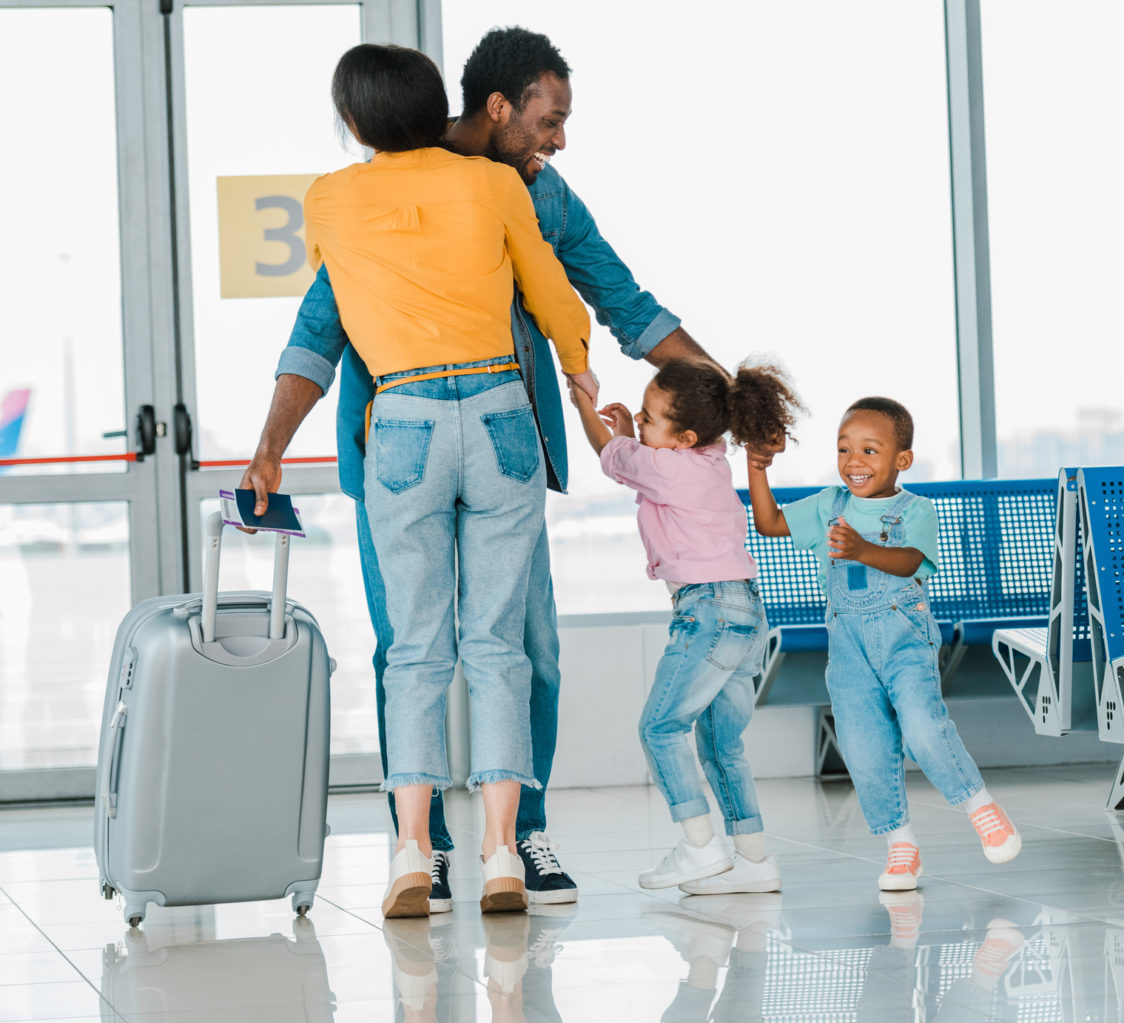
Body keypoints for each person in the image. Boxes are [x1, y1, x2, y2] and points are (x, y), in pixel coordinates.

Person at [240, 26, 720, 912]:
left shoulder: (532, 193)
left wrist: (725, 395)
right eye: (549, 120)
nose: (559, 140)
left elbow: (625, 304)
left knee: (522, 649)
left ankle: (519, 832)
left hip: (460, 442)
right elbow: (320, 328)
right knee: (417, 647)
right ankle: (437, 848)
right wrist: (272, 440)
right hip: (439, 439)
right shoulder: (427, 196)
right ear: (498, 108)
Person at [301, 42, 597, 918]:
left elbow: (338, 310)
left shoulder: (328, 200)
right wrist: (577, 372)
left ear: (355, 122)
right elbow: (550, 296)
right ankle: (504, 851)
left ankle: (411, 854)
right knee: (500, 646)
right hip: (503, 413)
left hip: (402, 421)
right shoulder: (497, 186)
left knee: (416, 652)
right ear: (442, 109)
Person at [746, 397, 1022, 890]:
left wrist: (863, 549)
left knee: (922, 726)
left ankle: (980, 806)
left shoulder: (916, 510)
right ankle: (900, 846)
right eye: (845, 449)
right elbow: (769, 524)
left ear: (902, 460)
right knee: (864, 746)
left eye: (870, 451)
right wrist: (756, 467)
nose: (854, 462)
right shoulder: (829, 505)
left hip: (904, 641)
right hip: (847, 649)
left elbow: (912, 562)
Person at [569, 360, 802, 893]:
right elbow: (637, 453)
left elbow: (609, 455)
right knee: (722, 746)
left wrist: (586, 403)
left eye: (650, 419)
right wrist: (636, 432)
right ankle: (755, 861)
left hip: (708, 613)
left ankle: (699, 846)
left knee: (660, 727)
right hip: (747, 615)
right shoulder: (709, 457)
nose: (642, 424)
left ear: (685, 438)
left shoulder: (668, 468)